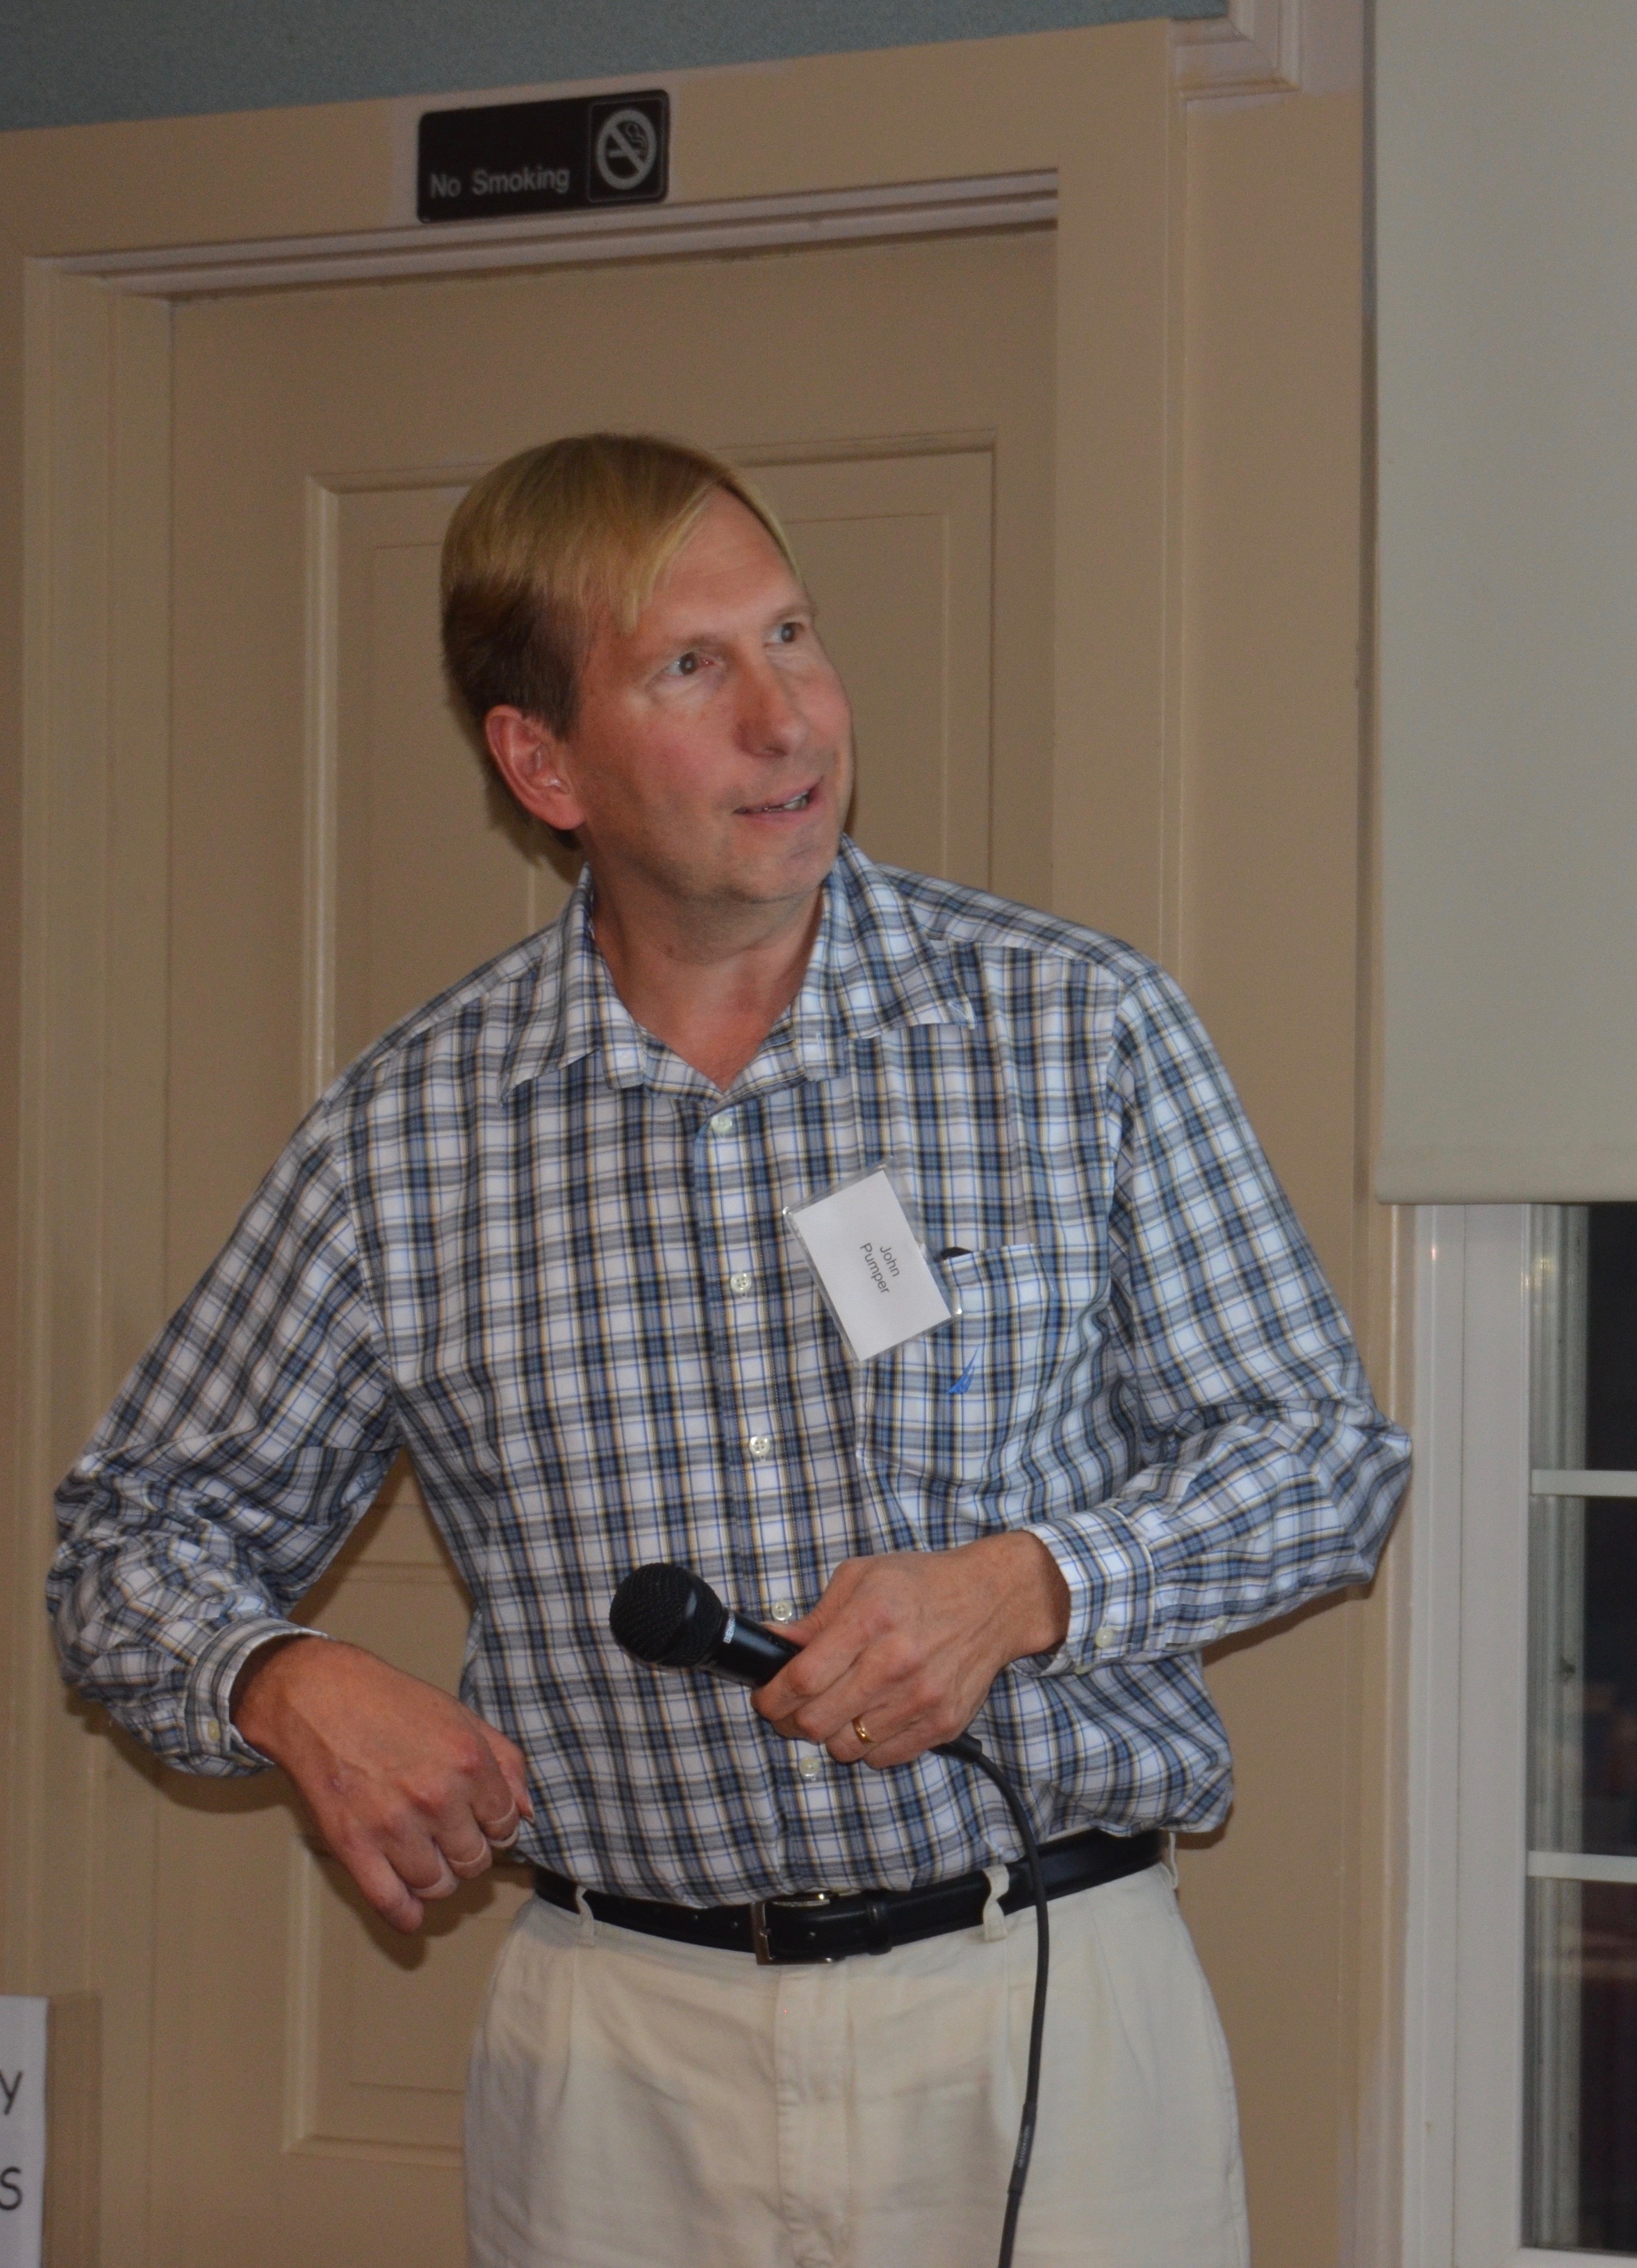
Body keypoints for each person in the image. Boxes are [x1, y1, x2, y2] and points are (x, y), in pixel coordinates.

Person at [46, 432, 1407, 2265]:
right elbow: (128, 1536)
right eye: (692, 667)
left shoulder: (1072, 1029)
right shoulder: (409, 1137)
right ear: (542, 764)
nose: (790, 720)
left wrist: (1026, 1587)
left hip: (1042, 2017)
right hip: (621, 2061)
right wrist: (281, 1678)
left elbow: (1323, 1458)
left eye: (793, 635)